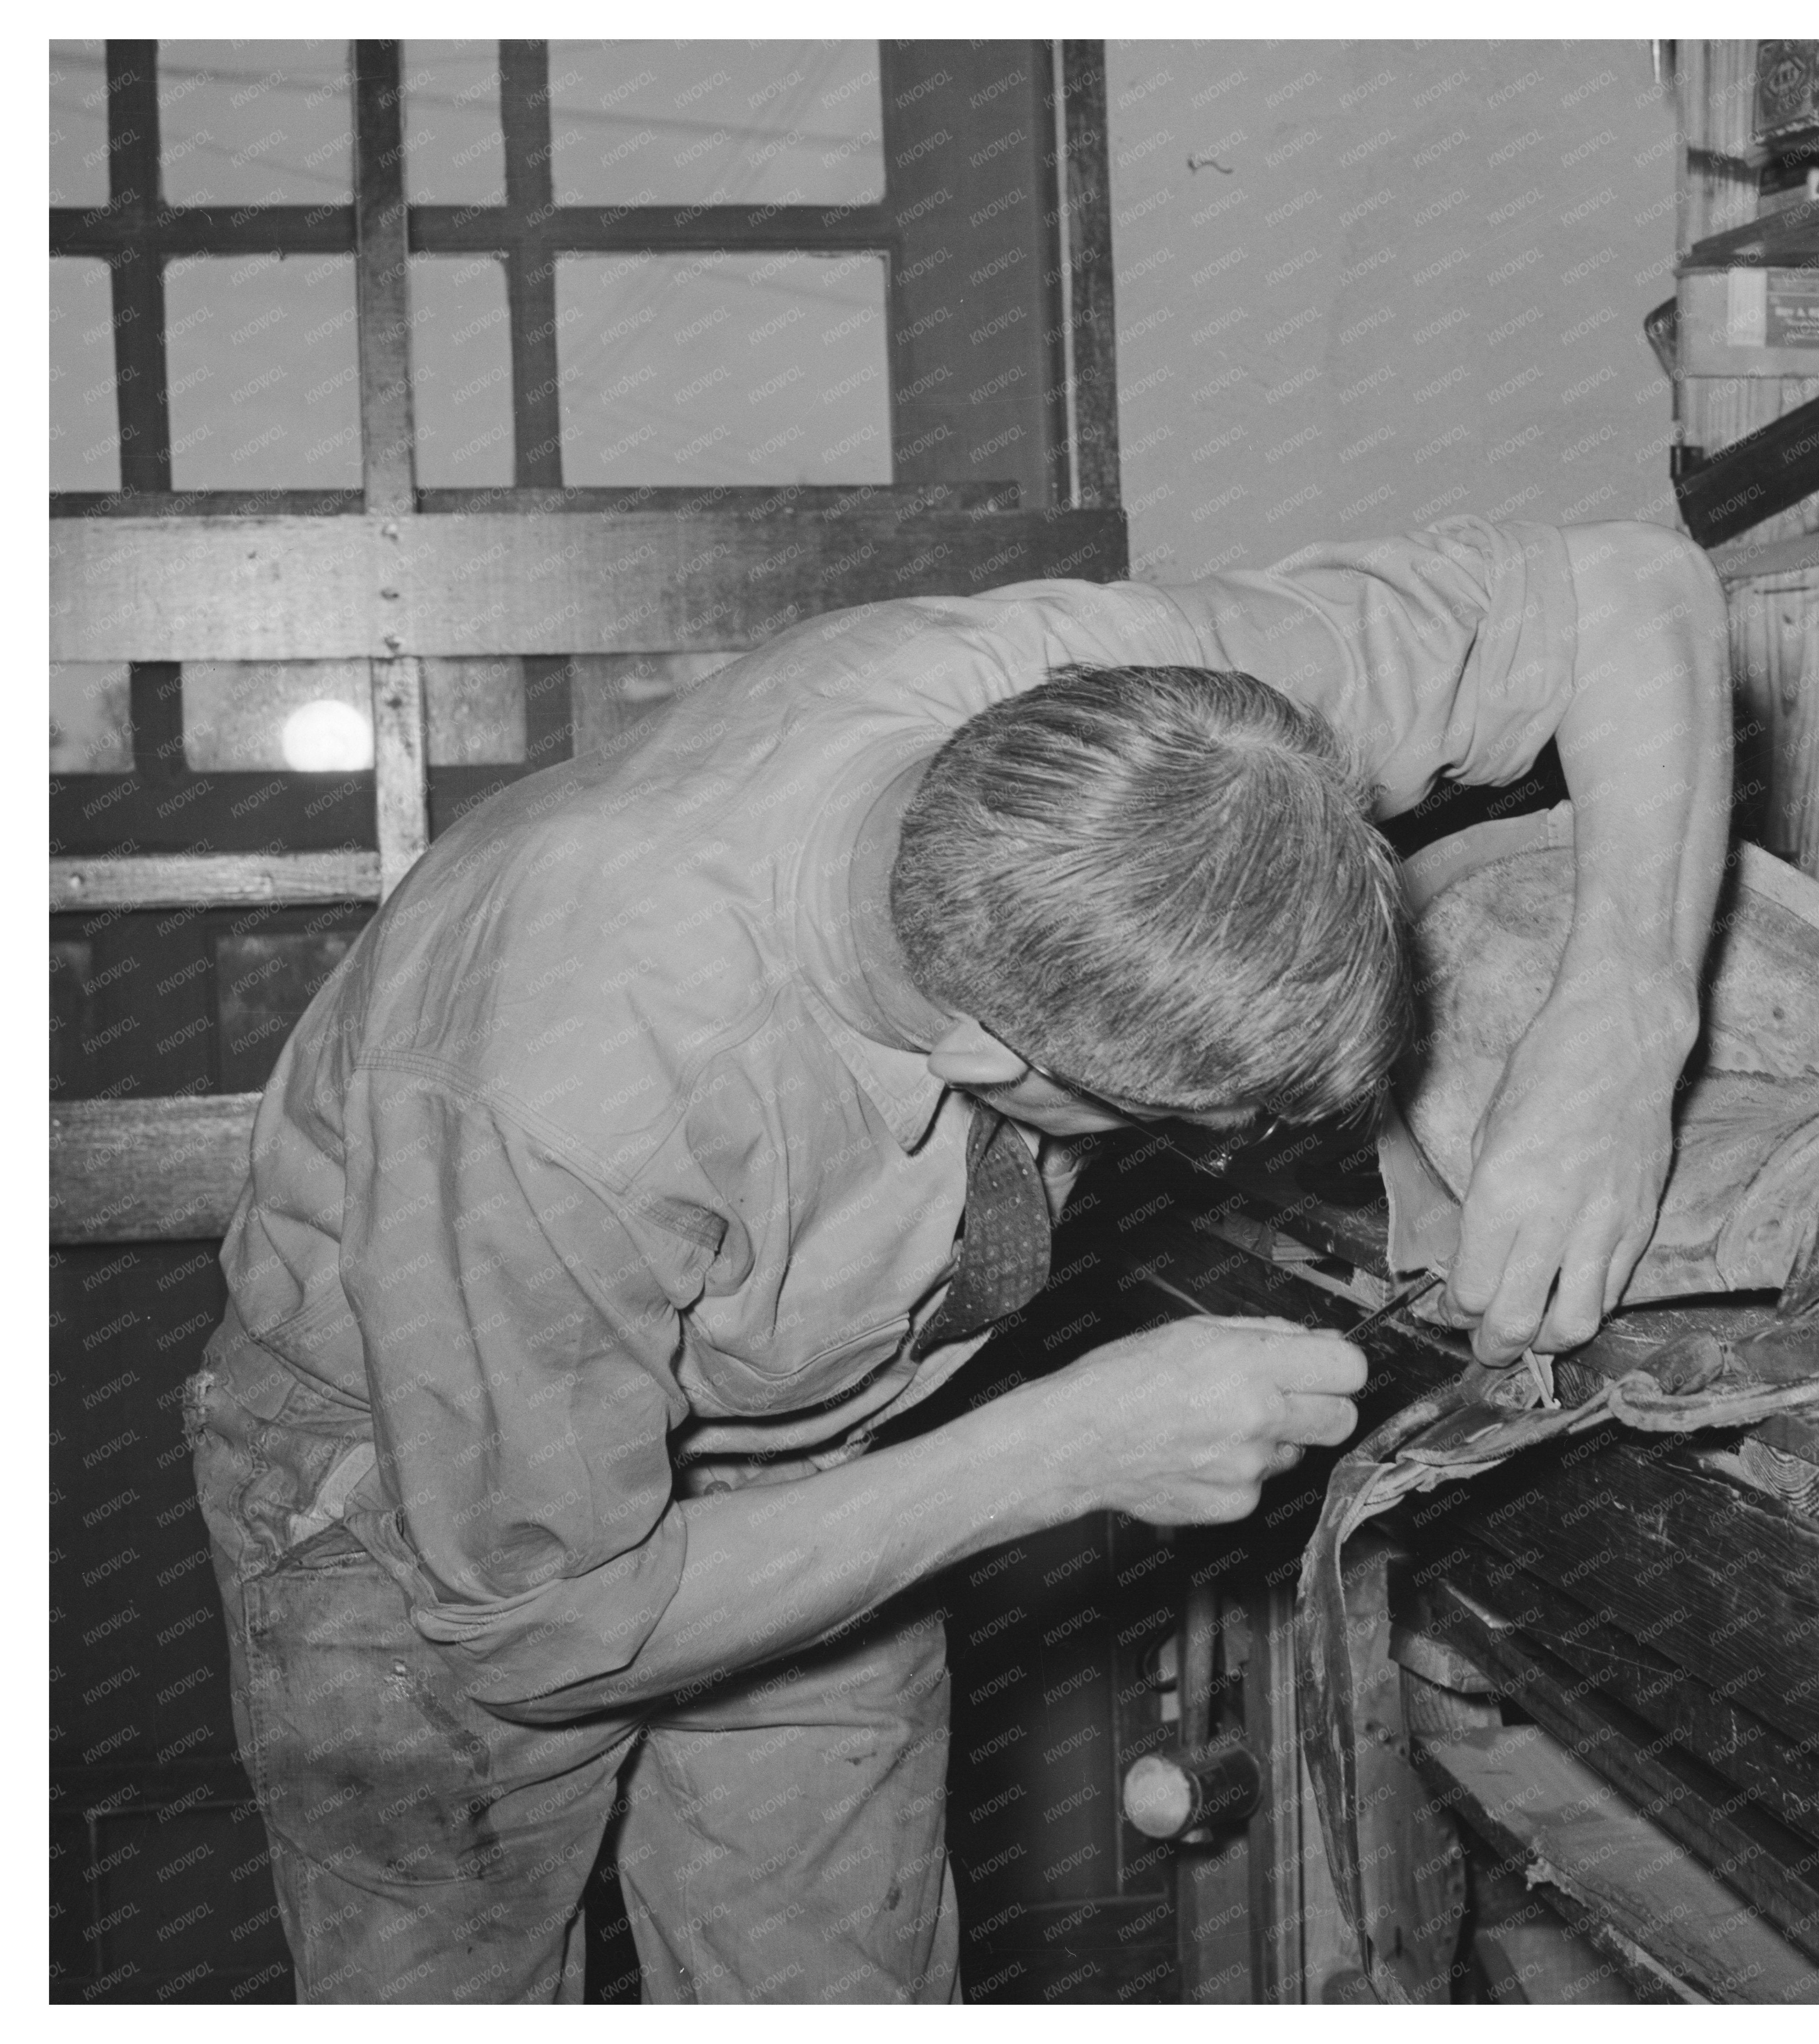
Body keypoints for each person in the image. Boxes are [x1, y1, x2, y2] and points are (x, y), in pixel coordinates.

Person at [187, 515, 1733, 2001]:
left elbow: (1623, 587)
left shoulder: (1145, 729)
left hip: (820, 1423)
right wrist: (1059, 1449)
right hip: (430, 1475)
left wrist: (1623, 1013)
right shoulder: (566, 1081)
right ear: (972, 1056)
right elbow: (547, 1628)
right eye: (1187, 1130)